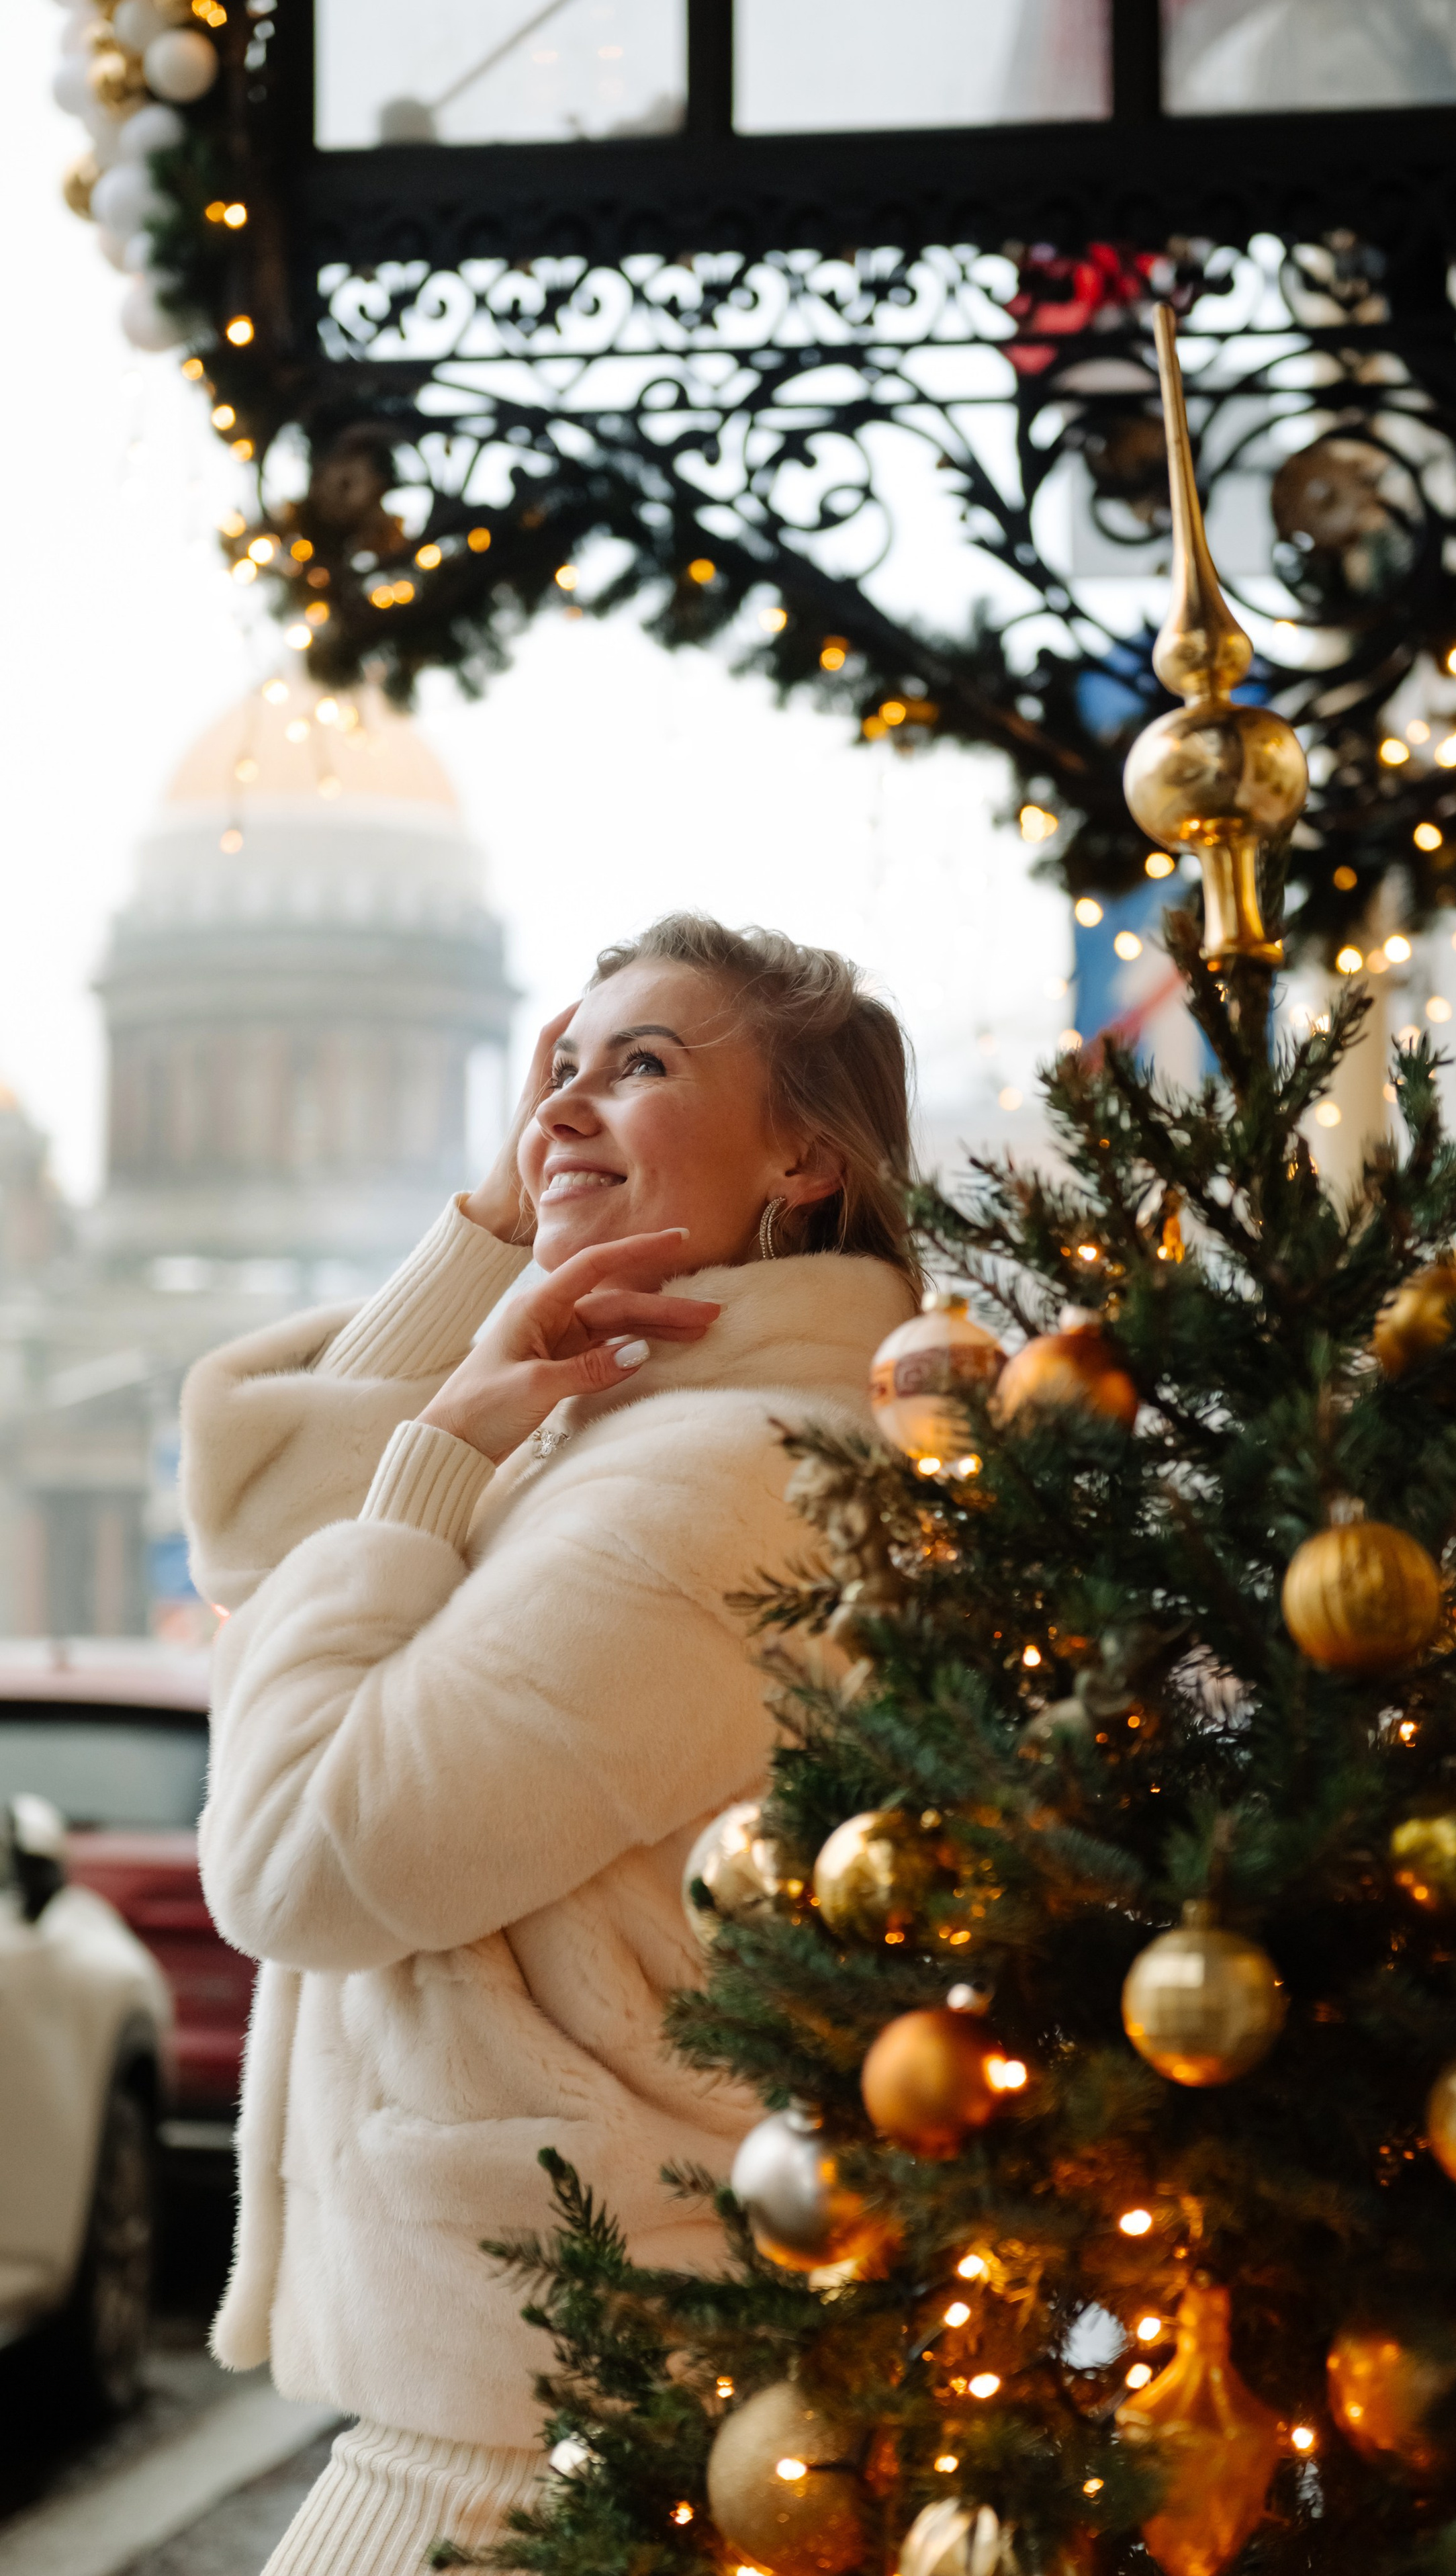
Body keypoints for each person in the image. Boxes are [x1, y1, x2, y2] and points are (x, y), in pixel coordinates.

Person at [183, 916, 920, 2576]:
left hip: (550, 2435)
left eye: (642, 1066)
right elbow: (255, 1537)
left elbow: (297, 1861)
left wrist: (441, 1446)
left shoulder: (708, 1480)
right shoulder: (624, 1434)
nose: (567, 1102)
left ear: (805, 1156)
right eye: (557, 1073)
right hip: (546, 2387)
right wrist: (504, 1246)